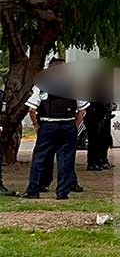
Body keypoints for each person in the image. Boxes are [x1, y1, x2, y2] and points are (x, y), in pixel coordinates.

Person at [22, 58, 89, 200]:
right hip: (68, 125)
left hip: (48, 125)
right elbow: (82, 111)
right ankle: (62, 193)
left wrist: (36, 126)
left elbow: (32, 109)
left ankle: (33, 190)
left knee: (40, 158)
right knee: (66, 159)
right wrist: (75, 125)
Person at [85, 100, 115, 170]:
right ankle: (93, 163)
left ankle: (101, 160)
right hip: (95, 116)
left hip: (102, 116)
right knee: (94, 141)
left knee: (103, 140)